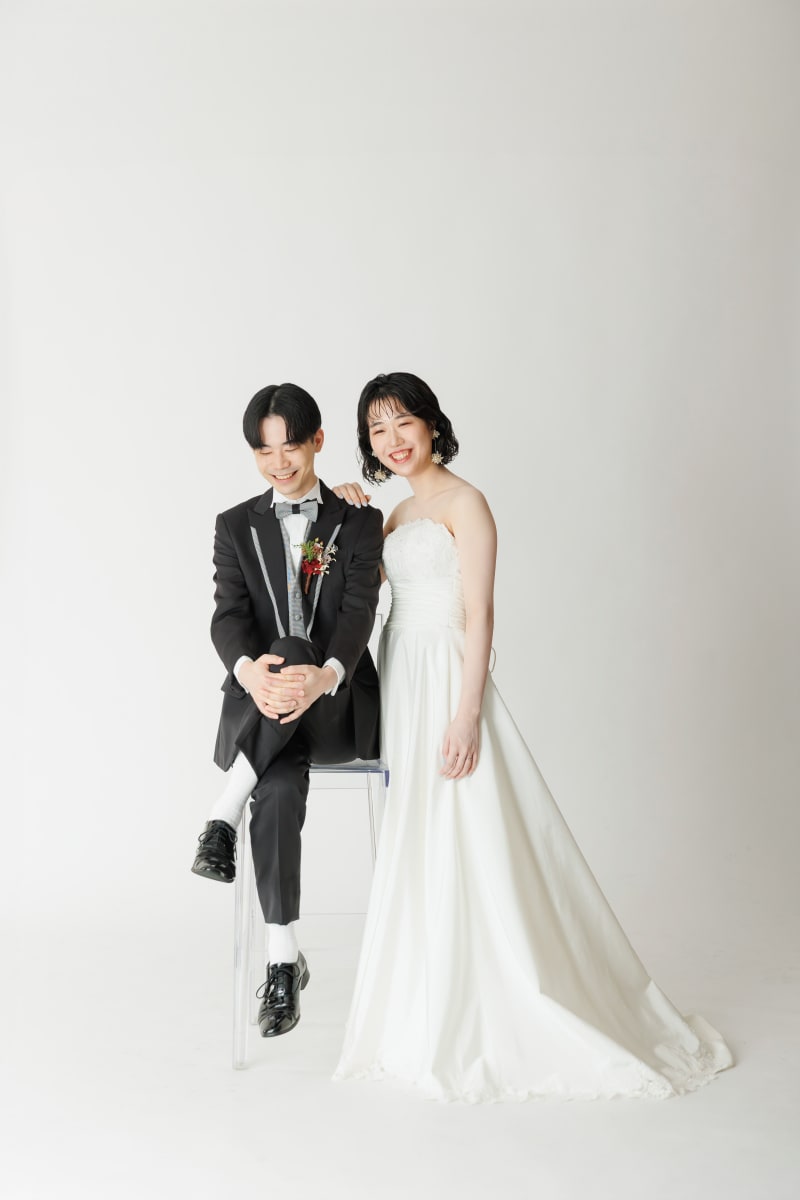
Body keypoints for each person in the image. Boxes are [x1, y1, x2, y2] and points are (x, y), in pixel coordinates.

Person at [333, 371, 733, 1101]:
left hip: (448, 673)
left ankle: (493, 994)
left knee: (471, 826)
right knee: (418, 828)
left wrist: (466, 714)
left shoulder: (468, 503)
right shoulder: (393, 515)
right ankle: (422, 999)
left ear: (431, 424)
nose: (391, 441)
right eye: (377, 430)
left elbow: (482, 614)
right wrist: (344, 511)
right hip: (403, 677)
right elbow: (344, 588)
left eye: (402, 423)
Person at [191, 382, 383, 1038]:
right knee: (273, 789)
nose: (278, 463)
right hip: (265, 710)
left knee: (297, 648)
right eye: (263, 451)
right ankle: (282, 961)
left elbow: (358, 613)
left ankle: (223, 810)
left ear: (318, 441)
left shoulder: (356, 521)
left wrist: (322, 675)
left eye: (291, 447)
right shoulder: (234, 525)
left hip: (333, 709)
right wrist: (251, 672)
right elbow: (227, 617)